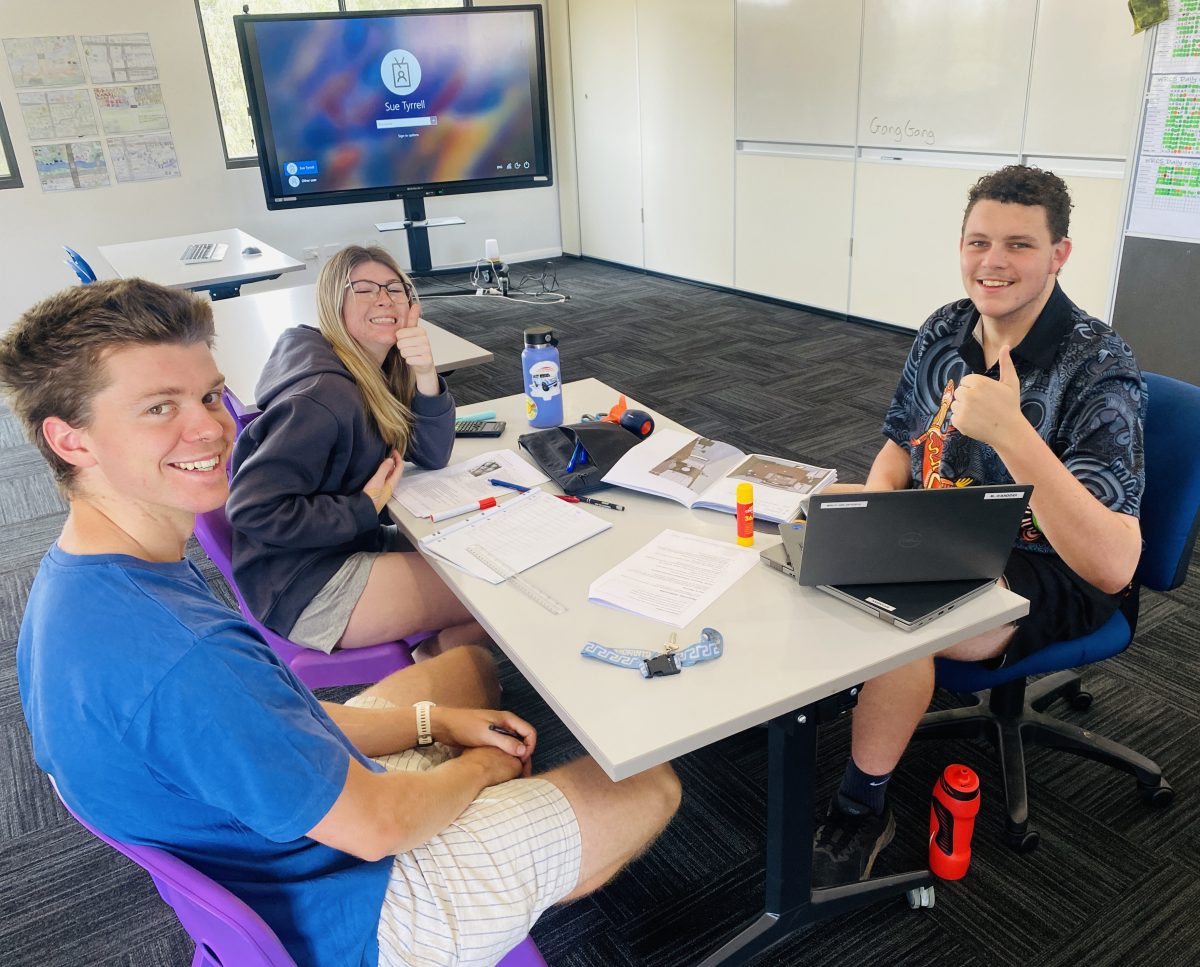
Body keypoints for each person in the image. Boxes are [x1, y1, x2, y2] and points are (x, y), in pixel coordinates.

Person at [0, 278, 680, 967]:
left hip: (279, 839)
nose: (210, 428)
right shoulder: (181, 657)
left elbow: (277, 715)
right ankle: (489, 916)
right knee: (648, 784)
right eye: (158, 407)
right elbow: (380, 824)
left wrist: (436, 725)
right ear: (71, 440)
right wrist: (479, 768)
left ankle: (503, 835)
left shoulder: (85, 577)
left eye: (209, 394)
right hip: (354, 907)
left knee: (468, 672)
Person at [813, 165, 1146, 885]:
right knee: (813, 525)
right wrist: (876, 508)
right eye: (978, 241)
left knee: (906, 612)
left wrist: (1014, 435)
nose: (993, 262)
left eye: (1020, 245)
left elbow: (1114, 563)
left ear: (1060, 254)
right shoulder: (946, 327)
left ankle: (862, 806)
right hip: (938, 528)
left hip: (1050, 562)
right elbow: (899, 446)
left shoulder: (1099, 363)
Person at [227, 244, 481, 654]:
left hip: (343, 544)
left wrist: (425, 373)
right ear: (333, 302)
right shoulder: (323, 398)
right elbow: (253, 509)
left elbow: (432, 456)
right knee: (493, 590)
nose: (383, 298)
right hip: (305, 584)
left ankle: (438, 663)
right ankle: (433, 667)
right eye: (363, 289)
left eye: (394, 288)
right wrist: (363, 507)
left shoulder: (375, 369)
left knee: (484, 555)